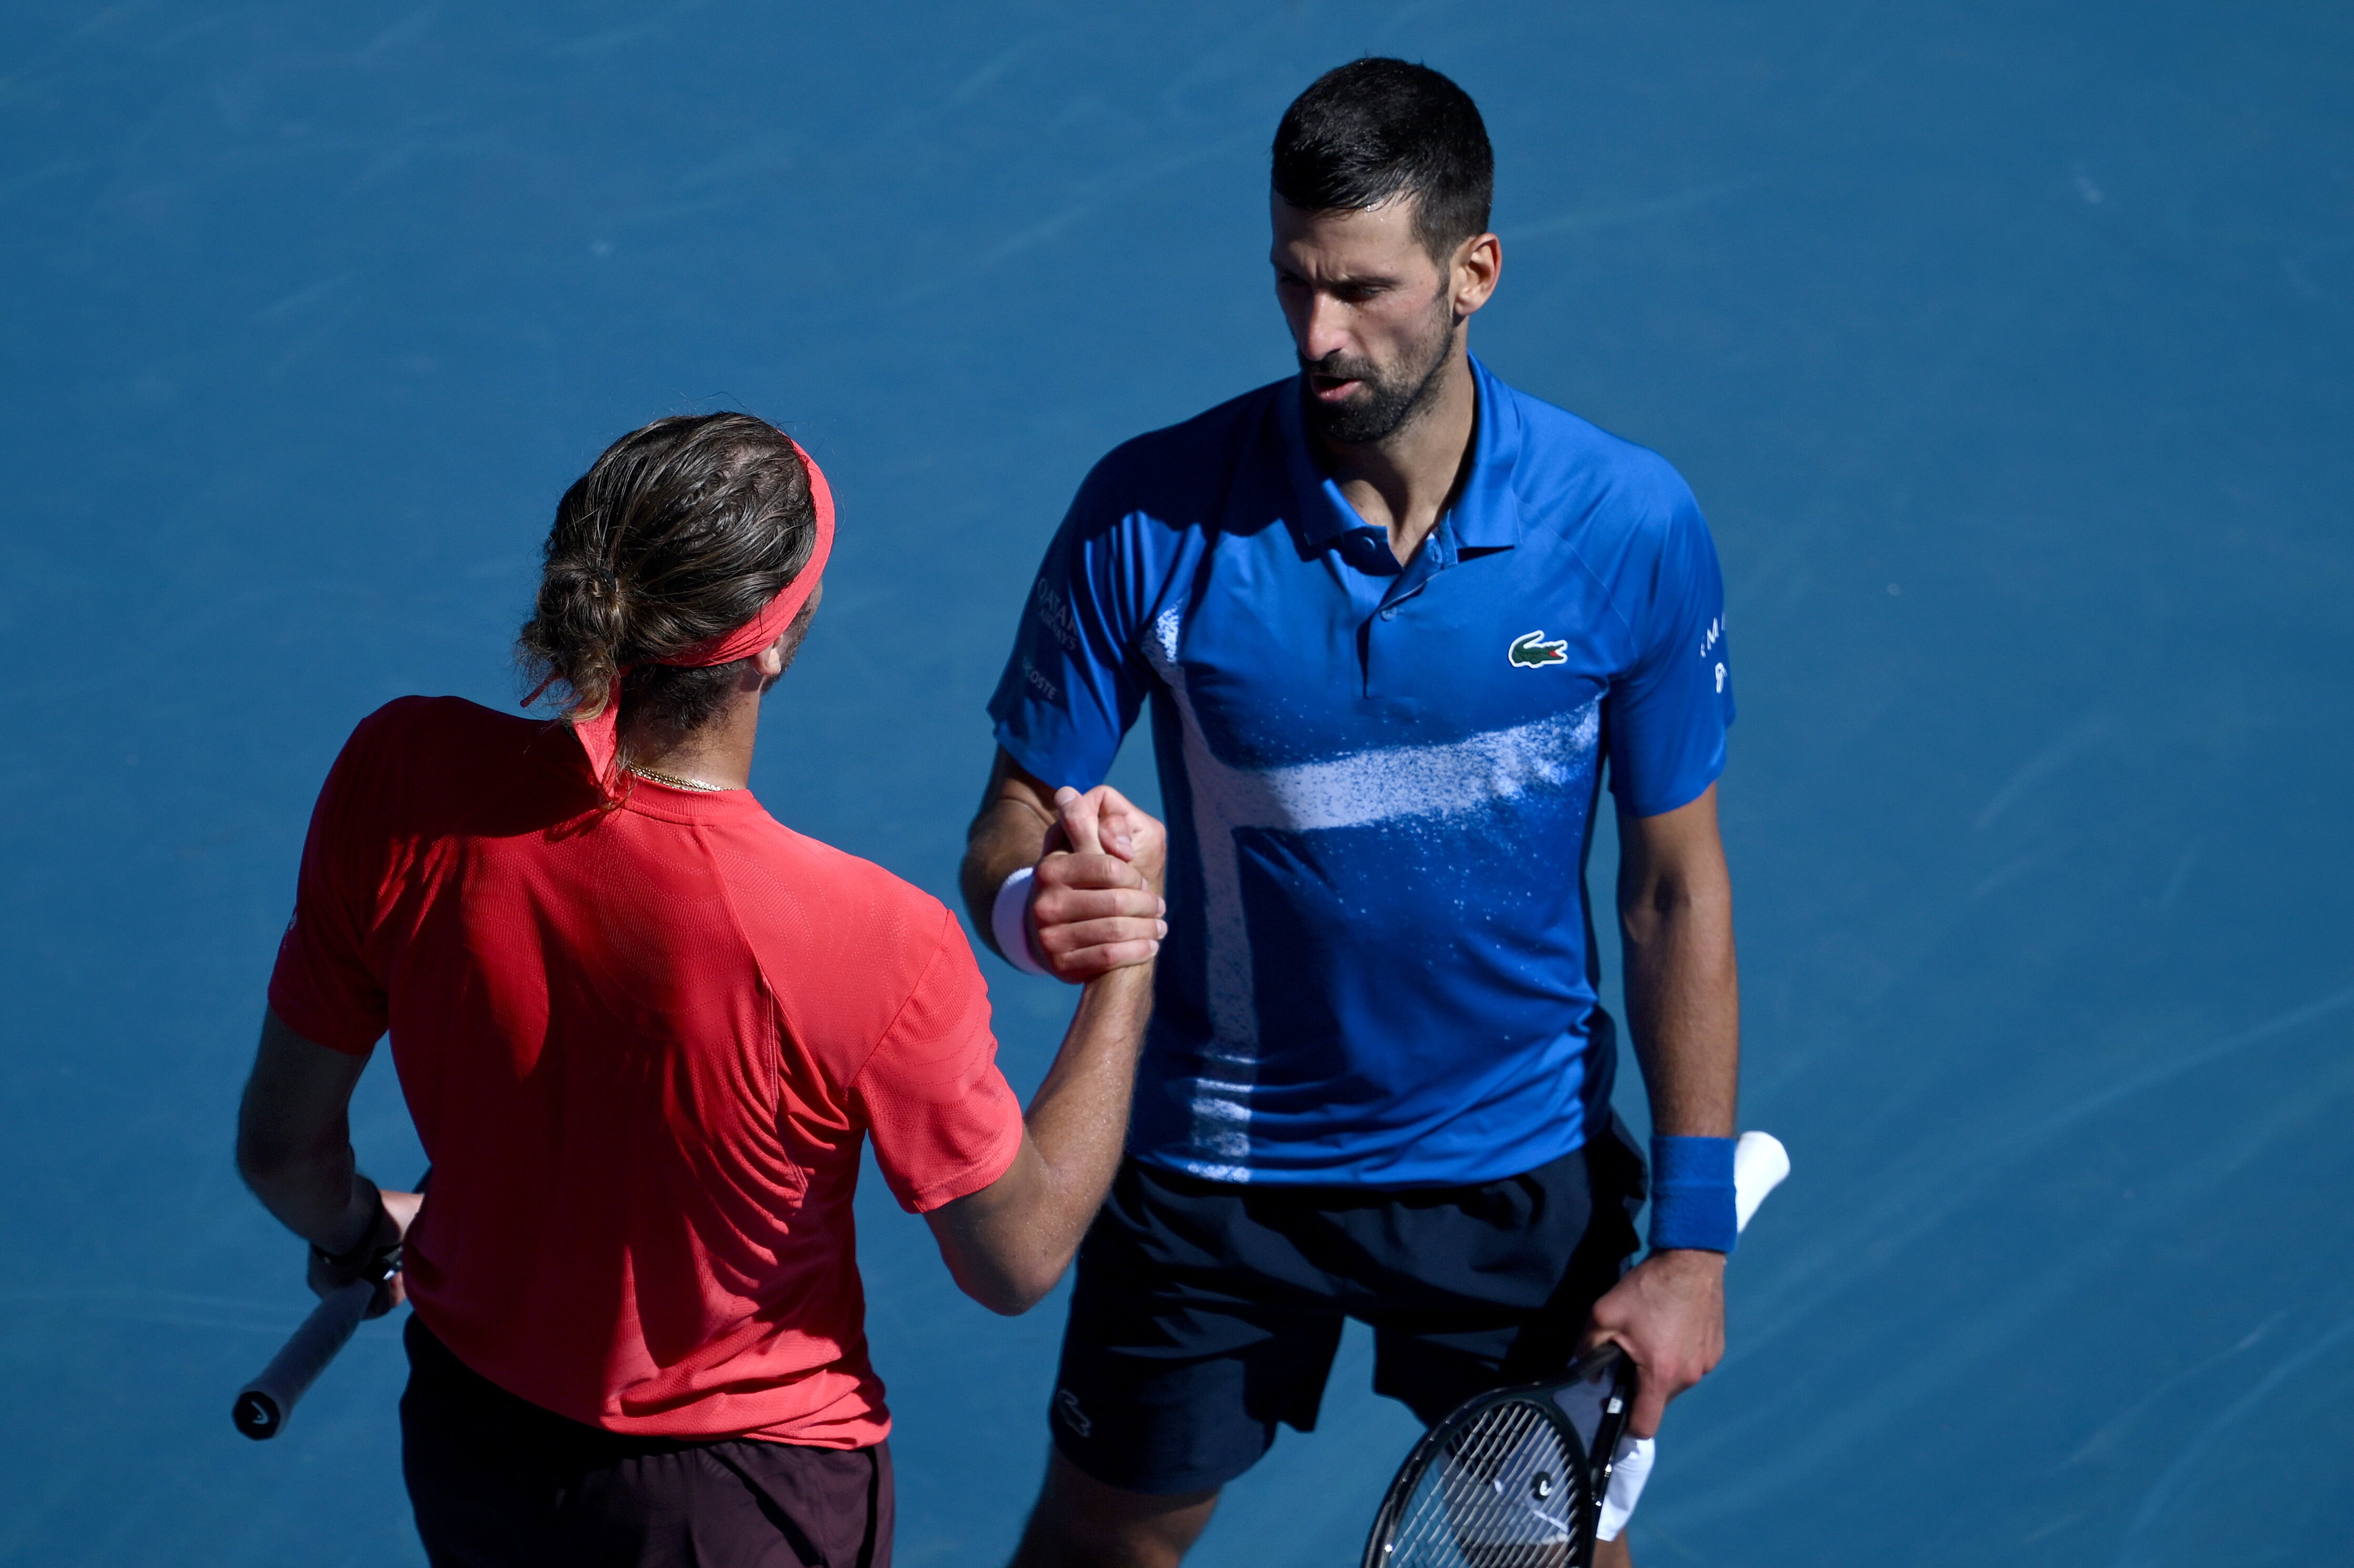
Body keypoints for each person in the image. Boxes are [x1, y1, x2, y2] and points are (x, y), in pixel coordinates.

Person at [961, 60, 1741, 1568]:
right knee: (1106, 1541)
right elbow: (1009, 817)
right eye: (1292, 284)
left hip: (1512, 1165)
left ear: (1474, 273)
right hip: (1208, 1169)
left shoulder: (1627, 524)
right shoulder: (1147, 511)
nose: (1318, 335)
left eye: (1363, 291)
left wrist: (1690, 1242)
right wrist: (1031, 906)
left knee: (1552, 1562)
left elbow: (1673, 894)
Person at [235, 412, 1171, 1567]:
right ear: (769, 648)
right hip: (735, 1505)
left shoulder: (400, 773)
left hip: (476, 1445)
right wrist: (1127, 960)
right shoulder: (877, 940)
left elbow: (285, 1156)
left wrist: (361, 1228)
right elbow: (1016, 1256)